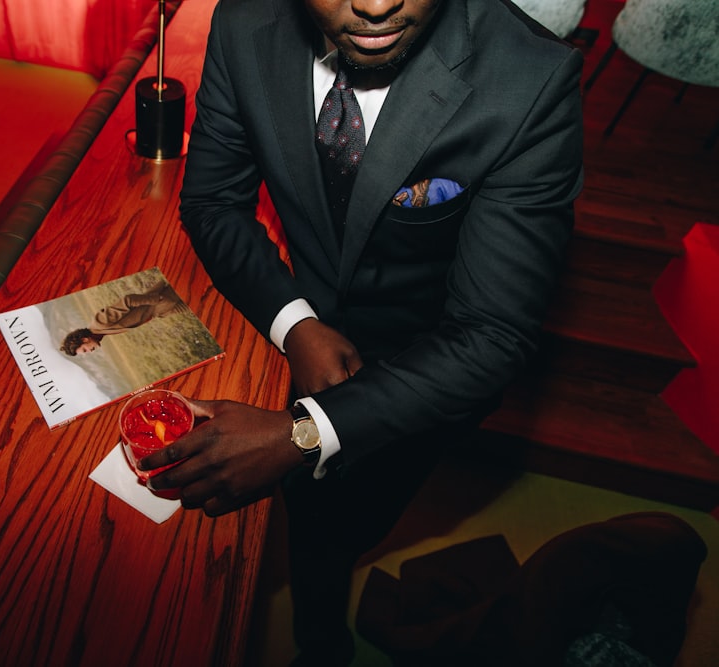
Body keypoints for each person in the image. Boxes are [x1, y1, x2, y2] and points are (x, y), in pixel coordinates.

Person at [138, 0, 584, 664]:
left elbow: (491, 331)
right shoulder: (242, 22)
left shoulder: (529, 79)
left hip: (425, 373)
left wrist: (304, 431)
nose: (376, 5)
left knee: (338, 527)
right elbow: (213, 202)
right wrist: (296, 324)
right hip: (300, 323)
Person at [59, 280, 188, 355]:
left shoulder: (99, 323)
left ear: (85, 339)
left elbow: (128, 301)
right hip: (162, 310)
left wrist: (156, 299)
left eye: (85, 350)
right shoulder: (100, 332)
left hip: (165, 298)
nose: (90, 352)